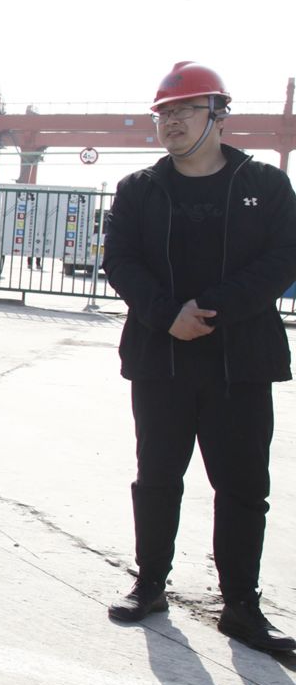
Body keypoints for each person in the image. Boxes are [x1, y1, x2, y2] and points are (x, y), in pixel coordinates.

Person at [102, 61, 296, 655]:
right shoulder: (139, 189)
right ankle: (150, 584)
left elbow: (282, 259)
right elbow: (120, 260)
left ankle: (240, 605)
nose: (172, 121)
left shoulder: (265, 184)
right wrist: (168, 315)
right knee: (157, 476)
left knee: (242, 486)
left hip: (241, 361)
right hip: (161, 357)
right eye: (164, 112)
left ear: (219, 115)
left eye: (186, 109)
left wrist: (210, 310)